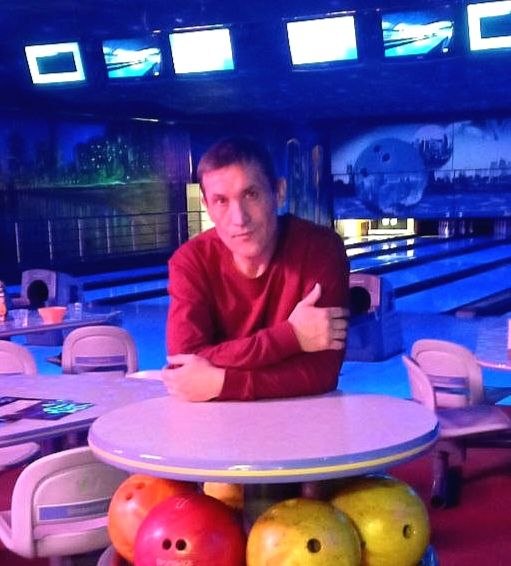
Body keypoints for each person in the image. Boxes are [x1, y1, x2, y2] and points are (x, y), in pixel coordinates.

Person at [163, 136, 350, 401]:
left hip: (299, 418)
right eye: (221, 201)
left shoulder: (320, 250)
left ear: (279, 192)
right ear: (206, 207)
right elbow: (183, 365)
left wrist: (221, 383)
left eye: (251, 194)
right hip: (215, 420)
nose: (239, 218)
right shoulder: (190, 261)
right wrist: (291, 336)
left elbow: (322, 373)